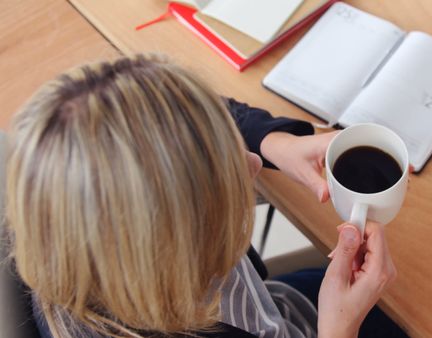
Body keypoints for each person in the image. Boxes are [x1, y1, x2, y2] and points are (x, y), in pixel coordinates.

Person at [3, 54, 403, 338]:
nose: (252, 164)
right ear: (174, 243)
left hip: (277, 308)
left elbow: (201, 111)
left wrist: (273, 141)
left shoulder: (80, 218)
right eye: (225, 173)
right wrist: (340, 329)